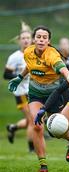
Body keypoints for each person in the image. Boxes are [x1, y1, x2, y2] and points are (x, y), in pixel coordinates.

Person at [8, 25, 69, 172]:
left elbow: (63, 69)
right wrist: (19, 77)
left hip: (53, 95)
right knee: (36, 125)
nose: (41, 40)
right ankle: (43, 164)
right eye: (38, 37)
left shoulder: (52, 55)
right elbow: (30, 67)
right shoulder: (28, 51)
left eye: (44, 38)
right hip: (35, 93)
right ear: (34, 39)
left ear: (49, 41)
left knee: (56, 130)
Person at [3, 22, 34, 152]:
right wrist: (20, 75)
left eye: (28, 38)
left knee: (31, 120)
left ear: (32, 39)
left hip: (34, 91)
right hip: (21, 93)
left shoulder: (35, 54)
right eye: (23, 38)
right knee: (33, 120)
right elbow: (6, 75)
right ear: (19, 41)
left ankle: (13, 128)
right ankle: (31, 148)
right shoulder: (14, 57)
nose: (26, 40)